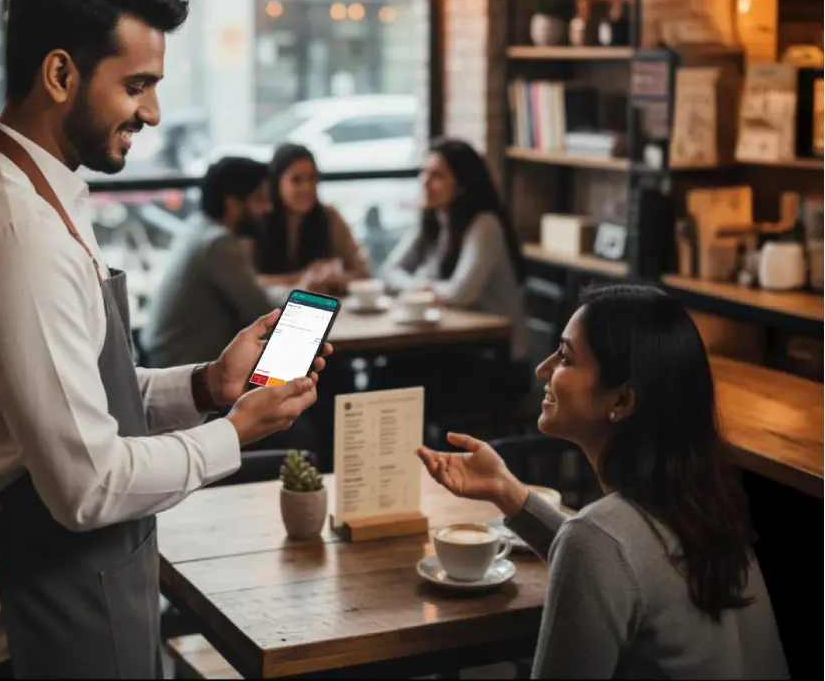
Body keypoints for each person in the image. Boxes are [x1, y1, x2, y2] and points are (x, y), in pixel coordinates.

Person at [0, 0, 329, 681]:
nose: (153, 111)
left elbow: (77, 390)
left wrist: (208, 386)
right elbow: (87, 483)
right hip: (6, 633)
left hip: (52, 601)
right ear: (60, 74)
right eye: (137, 84)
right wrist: (233, 434)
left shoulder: (30, 191)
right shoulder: (14, 234)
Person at [417, 285, 788, 679]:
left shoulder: (597, 540)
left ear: (621, 402)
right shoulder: (706, 504)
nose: (543, 369)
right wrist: (508, 492)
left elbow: (601, 551)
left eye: (565, 357)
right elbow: (618, 560)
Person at [381, 137, 528, 362]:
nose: (424, 181)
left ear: (461, 185)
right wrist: (422, 287)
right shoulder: (433, 219)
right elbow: (389, 271)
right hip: (457, 343)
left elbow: (462, 294)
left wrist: (422, 289)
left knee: (399, 367)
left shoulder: (484, 224)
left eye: (436, 175)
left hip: (496, 352)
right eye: (424, 172)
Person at [143, 156, 275, 369]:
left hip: (166, 361)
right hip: (188, 372)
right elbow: (265, 317)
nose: (268, 208)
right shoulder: (218, 243)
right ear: (233, 205)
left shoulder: (199, 227)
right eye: (260, 199)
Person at [254, 143, 371, 297]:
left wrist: (335, 277)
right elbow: (247, 283)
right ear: (277, 183)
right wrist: (303, 277)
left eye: (312, 178)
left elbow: (364, 275)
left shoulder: (329, 216)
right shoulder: (258, 219)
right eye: (296, 180)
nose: (307, 188)